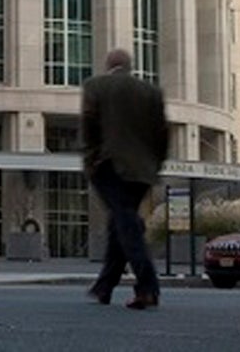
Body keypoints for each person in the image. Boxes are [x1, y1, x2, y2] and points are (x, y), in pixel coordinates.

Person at [81, 48, 168, 310]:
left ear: (109, 64)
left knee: (126, 221)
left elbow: (89, 124)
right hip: (143, 170)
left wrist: (91, 158)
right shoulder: (151, 92)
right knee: (120, 220)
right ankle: (104, 287)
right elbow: (162, 132)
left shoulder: (96, 85)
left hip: (110, 164)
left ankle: (148, 284)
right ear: (129, 66)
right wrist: (156, 162)